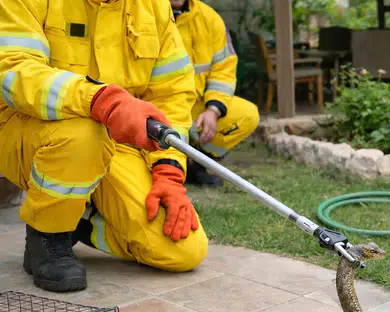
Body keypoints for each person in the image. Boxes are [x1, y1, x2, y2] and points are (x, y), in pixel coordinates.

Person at [0, 0, 208, 293]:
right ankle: (48, 234)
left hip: (115, 141)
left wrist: (168, 169)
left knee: (183, 250)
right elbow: (14, 73)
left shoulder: (153, 6)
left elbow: (172, 95)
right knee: (83, 134)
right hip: (28, 128)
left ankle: (81, 220)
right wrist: (97, 99)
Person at [169, 0, 261, 187]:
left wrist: (213, 110)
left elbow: (224, 69)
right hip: (158, 107)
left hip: (196, 107)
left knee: (247, 115)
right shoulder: (143, 13)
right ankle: (171, 165)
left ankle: (196, 164)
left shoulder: (209, 18)